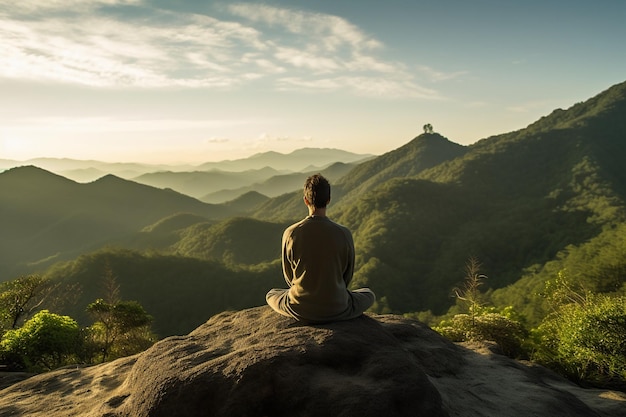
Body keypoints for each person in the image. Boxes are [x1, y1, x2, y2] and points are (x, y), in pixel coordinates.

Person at [266, 174, 376, 323]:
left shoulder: (291, 233)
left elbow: (289, 276)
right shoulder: (344, 233)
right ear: (328, 200)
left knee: (272, 294)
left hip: (300, 307)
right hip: (338, 307)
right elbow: (347, 277)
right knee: (368, 294)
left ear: (305, 200)